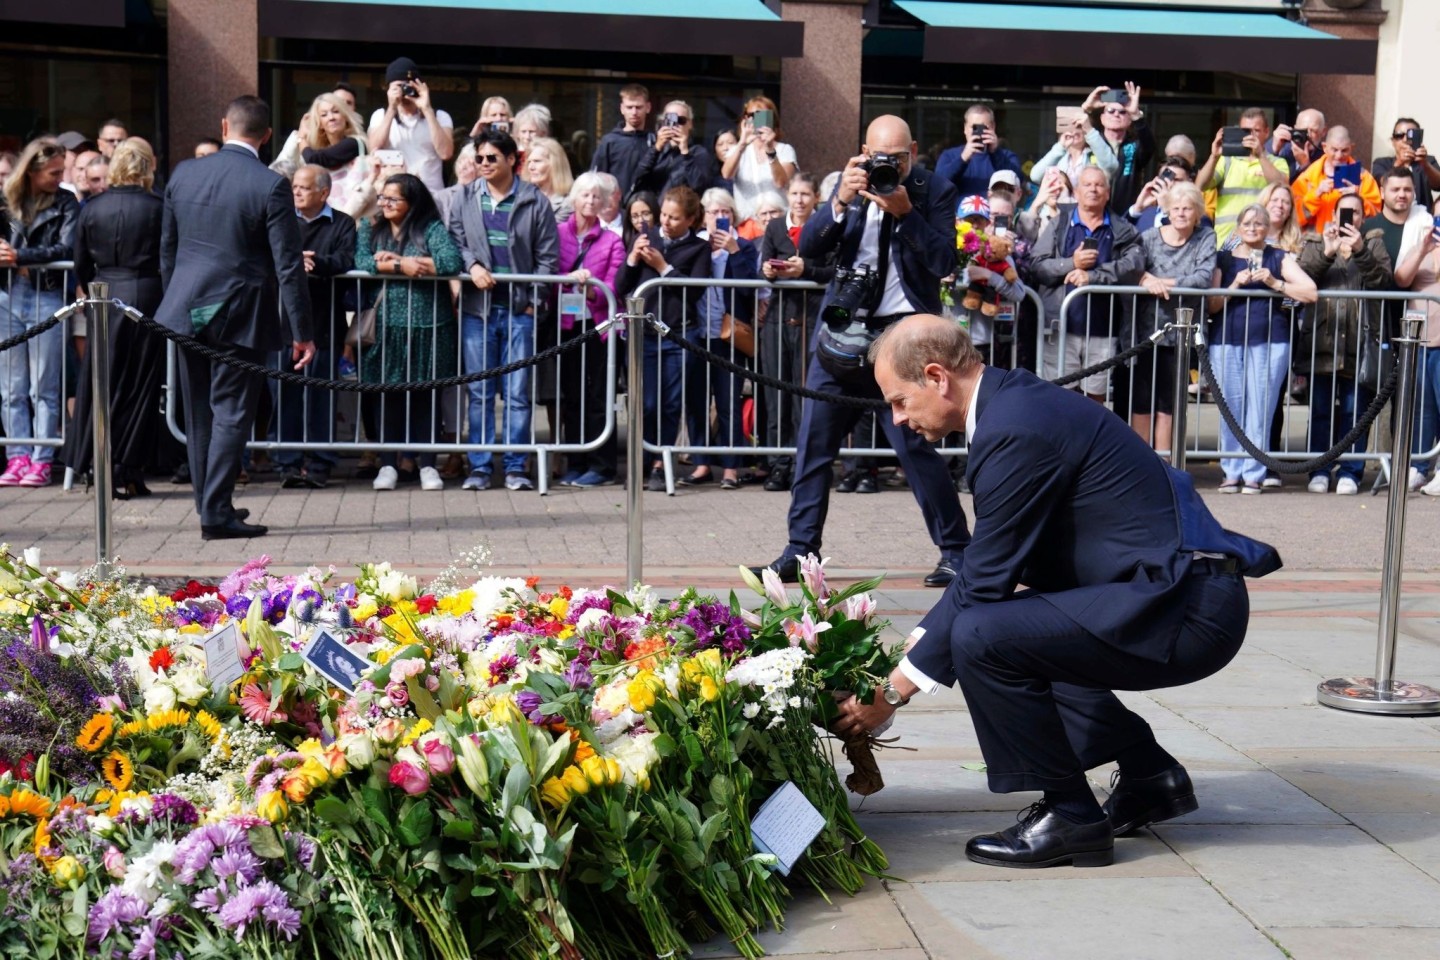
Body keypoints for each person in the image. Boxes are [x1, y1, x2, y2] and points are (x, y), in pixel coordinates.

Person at [834, 314, 1281, 869]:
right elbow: (986, 569)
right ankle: (1150, 777)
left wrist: (894, 691)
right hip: (1175, 594)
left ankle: (1070, 815)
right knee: (1015, 631)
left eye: (900, 401)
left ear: (936, 377)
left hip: (1185, 610)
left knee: (984, 636)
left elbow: (984, 583)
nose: (898, 420)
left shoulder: (1014, 426)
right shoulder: (1015, 406)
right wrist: (914, 651)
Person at [750, 115, 970, 587]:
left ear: (913, 150)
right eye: (877, 157)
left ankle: (956, 552)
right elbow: (809, 249)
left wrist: (906, 211)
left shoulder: (937, 191)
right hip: (843, 329)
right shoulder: (846, 186)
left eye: (897, 158)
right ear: (863, 152)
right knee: (813, 443)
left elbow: (944, 262)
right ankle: (799, 550)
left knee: (915, 448)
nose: (886, 165)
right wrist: (840, 201)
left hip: (904, 334)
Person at [156, 96, 315, 538]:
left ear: (224, 125)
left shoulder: (184, 173)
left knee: (200, 413)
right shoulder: (269, 184)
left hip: (186, 307)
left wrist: (177, 300)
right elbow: (287, 264)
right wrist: (302, 330)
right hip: (240, 312)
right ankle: (215, 513)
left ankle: (213, 505)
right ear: (266, 137)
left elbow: (168, 250)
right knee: (230, 412)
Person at [448, 128, 559, 492]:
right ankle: (479, 467)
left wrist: (533, 303)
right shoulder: (464, 196)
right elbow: (454, 243)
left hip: (518, 310)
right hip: (476, 311)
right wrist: (472, 267)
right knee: (479, 392)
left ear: (513, 160)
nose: (482, 164)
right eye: (478, 158)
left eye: (490, 158)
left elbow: (548, 257)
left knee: (517, 392)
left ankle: (515, 467)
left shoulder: (534, 200)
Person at [58, 139, 165, 497]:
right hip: (147, 295)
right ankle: (125, 467)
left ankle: (105, 465)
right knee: (140, 384)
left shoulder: (92, 207)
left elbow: (80, 262)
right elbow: (168, 256)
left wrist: (92, 288)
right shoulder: (159, 206)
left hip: (104, 294)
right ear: (147, 167)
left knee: (102, 382)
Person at [355, 172, 460, 492]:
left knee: (426, 395)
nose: (384, 204)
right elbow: (362, 260)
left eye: (392, 199)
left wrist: (399, 259)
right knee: (387, 395)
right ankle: (388, 463)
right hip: (387, 324)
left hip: (430, 324)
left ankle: (428, 463)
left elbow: (450, 261)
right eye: (382, 197)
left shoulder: (430, 227)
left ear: (411, 201)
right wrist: (403, 267)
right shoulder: (370, 227)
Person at [1206, 203, 1317, 494]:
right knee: (1230, 405)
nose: (1253, 228)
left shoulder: (1278, 256)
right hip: (1227, 338)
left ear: (1267, 229)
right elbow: (1212, 304)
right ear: (1238, 227)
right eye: (1247, 223)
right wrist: (1234, 285)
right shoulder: (1224, 259)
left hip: (1271, 339)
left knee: (1261, 408)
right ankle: (1231, 470)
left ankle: (1253, 472)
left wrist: (1274, 282)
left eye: (1259, 224)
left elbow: (1309, 291)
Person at [615, 185, 712, 491]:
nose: (666, 222)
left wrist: (662, 267)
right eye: (664, 216)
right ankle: (640, 461)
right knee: (645, 402)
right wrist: (632, 257)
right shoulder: (649, 237)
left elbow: (694, 290)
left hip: (678, 333)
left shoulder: (698, 248)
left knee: (670, 403)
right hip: (644, 332)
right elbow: (620, 285)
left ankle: (659, 463)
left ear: (690, 220)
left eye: (674, 218)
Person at [1296, 192, 1392, 496]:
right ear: (1334, 214)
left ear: (1363, 218)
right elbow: (1303, 278)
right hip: (1322, 342)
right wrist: (1328, 251)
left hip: (1359, 341)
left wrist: (1361, 250)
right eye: (1344, 213)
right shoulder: (1315, 242)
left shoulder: (1374, 242)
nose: (1349, 218)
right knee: (1321, 410)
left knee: (1354, 411)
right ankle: (1319, 469)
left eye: (1356, 213)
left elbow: (1382, 280)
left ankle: (1351, 470)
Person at [272, 165, 356, 490]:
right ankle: (287, 462)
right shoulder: (281, 219)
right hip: (283, 323)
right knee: (285, 393)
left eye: (304, 188)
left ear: (324, 192)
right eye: (294, 186)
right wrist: (292, 263)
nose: (296, 192)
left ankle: (320, 462)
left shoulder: (343, 223)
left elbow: (348, 259)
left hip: (324, 321)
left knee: (322, 395)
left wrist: (316, 263)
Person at [1031, 166, 1145, 403]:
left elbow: (1134, 265)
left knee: (1095, 398)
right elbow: (1038, 265)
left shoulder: (1122, 228)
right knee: (1061, 396)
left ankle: (1090, 441)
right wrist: (1071, 263)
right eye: (1087, 184)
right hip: (1061, 326)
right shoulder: (1059, 223)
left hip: (1104, 329)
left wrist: (1093, 277)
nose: (1093, 189)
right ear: (1077, 192)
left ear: (1108, 192)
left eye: (1099, 184)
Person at [0, 138, 77, 488]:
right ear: (32, 170)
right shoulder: (6, 202)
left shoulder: (65, 202)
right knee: (12, 386)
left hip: (46, 294)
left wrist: (21, 257)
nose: (60, 177)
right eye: (53, 171)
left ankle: (42, 457)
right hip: (9, 294)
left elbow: (69, 246)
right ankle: (17, 456)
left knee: (44, 386)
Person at [677, 188, 758, 490]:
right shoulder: (693, 245)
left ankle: (730, 468)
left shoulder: (745, 247)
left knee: (728, 403)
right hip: (696, 333)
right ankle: (700, 464)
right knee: (696, 401)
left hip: (728, 337)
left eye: (725, 212)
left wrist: (734, 251)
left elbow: (749, 288)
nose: (719, 217)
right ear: (703, 216)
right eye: (713, 212)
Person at [1128, 182, 1216, 452]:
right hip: (1146, 330)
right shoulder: (1149, 237)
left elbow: (1203, 277)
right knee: (1141, 401)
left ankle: (1165, 464)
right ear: (1167, 210)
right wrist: (1144, 278)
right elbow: (1134, 269)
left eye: (1187, 208)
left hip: (1181, 333)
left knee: (1169, 404)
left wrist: (1163, 283)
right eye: (1176, 208)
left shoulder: (1205, 237)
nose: (1181, 213)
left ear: (1198, 211)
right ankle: (1140, 463)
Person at [758, 171, 832, 492]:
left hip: (812, 318)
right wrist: (768, 271)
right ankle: (778, 464)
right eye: (794, 194)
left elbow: (833, 270)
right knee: (777, 397)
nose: (799, 200)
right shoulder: (775, 227)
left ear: (815, 197)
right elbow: (766, 265)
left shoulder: (826, 227)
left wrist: (807, 271)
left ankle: (804, 464)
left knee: (805, 398)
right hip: (778, 317)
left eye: (805, 194)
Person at [554, 172, 624, 488]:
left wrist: (591, 289)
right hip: (566, 325)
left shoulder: (612, 240)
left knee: (597, 396)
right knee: (572, 396)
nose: (591, 201)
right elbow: (550, 273)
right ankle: (576, 461)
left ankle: (602, 466)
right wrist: (567, 280)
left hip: (598, 327)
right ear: (574, 198)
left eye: (597, 196)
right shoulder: (557, 234)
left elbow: (614, 285)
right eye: (585, 195)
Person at [1391, 193, 1440, 495]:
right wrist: (1423, 249)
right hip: (1421, 338)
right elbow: (1401, 277)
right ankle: (1420, 467)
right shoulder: (1420, 242)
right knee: (1422, 408)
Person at [1196, 108, 1290, 247]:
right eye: (1245, 131)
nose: (1250, 136)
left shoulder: (1277, 162)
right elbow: (1200, 185)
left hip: (1263, 242)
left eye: (1256, 131)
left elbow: (1280, 185)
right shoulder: (1226, 160)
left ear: (1266, 132)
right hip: (1225, 242)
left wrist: (1261, 156)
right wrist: (1214, 156)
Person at [367, 56, 455, 195]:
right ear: (388, 89)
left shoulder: (440, 116)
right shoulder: (381, 115)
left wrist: (427, 109)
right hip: (393, 195)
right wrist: (391, 109)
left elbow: (445, 153)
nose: (404, 92)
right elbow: (374, 149)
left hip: (431, 196)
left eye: (408, 86)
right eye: (398, 87)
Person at [274, 93, 370, 216]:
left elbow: (315, 160)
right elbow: (282, 166)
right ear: (319, 123)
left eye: (336, 112)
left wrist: (302, 138)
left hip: (355, 219)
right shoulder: (316, 149)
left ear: (345, 117)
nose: (331, 117)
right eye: (324, 115)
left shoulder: (355, 142)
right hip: (326, 220)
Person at [720, 96, 797, 222]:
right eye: (753, 115)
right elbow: (726, 174)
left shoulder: (785, 150)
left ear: (772, 120)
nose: (758, 120)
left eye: (763, 116)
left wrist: (770, 150)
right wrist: (742, 143)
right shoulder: (738, 149)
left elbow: (781, 182)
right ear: (745, 119)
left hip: (778, 220)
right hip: (747, 222)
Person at [1080, 83, 1154, 214]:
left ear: (1129, 120)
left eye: (1122, 112)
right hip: (1092, 215)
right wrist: (1086, 108)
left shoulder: (1134, 146)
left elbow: (1150, 146)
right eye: (1111, 111)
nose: (1116, 115)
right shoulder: (1090, 142)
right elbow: (1070, 134)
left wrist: (1136, 114)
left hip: (1125, 217)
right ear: (1102, 118)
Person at [1292, 126, 1381, 234]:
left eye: (1344, 150)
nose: (1339, 156)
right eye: (1334, 150)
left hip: (1351, 243)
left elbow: (1376, 218)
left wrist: (1359, 199)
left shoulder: (1363, 178)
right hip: (1314, 244)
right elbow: (1292, 219)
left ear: (1351, 148)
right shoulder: (1307, 178)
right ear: (1324, 147)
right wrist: (1316, 194)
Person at [934, 103, 1023, 201]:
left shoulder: (1007, 156)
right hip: (959, 215)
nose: (979, 133)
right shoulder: (949, 156)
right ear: (965, 128)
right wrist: (963, 158)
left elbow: (1017, 181)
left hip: (994, 214)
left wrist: (995, 153)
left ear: (993, 127)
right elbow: (938, 184)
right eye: (975, 128)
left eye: (984, 128)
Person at [632, 100, 711, 198]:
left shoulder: (698, 152)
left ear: (690, 124)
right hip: (655, 209)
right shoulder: (654, 150)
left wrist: (685, 152)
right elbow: (637, 178)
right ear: (663, 122)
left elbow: (698, 186)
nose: (675, 125)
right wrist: (657, 147)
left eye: (681, 120)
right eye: (670, 120)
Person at [590, 83, 654, 202]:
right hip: (616, 209)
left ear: (648, 107)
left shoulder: (655, 141)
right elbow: (596, 179)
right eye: (629, 107)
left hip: (647, 208)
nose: (634, 112)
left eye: (638, 107)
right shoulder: (610, 142)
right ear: (622, 109)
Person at [1027, 114, 1117, 196]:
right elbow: (1035, 176)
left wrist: (1091, 132)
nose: (1074, 130)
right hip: (1058, 209)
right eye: (1069, 126)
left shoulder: (1096, 155)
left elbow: (1111, 166)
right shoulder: (1058, 156)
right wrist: (1061, 146)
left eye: (1079, 126)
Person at [1373, 118, 1440, 213]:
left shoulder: (1428, 161)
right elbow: (1383, 182)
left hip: (1423, 220)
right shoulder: (1381, 163)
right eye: (1399, 135)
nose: (1405, 140)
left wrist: (1425, 164)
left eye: (1410, 135)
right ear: (1393, 141)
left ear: (1419, 138)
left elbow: (1438, 185)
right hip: (1392, 219)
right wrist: (1399, 163)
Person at [524, 136, 574, 222]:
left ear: (555, 164)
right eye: (529, 162)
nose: (531, 167)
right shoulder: (521, 196)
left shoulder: (570, 202)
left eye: (537, 161)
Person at [1271, 108, 1326, 184]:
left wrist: (1306, 166)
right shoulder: (1283, 150)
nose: (1308, 135)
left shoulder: (1326, 157)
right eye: (1303, 131)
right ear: (1295, 129)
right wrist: (1274, 151)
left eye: (1313, 131)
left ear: (1323, 132)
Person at [435, 141, 478, 224]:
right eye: (461, 162)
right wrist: (461, 186)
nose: (463, 167)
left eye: (471, 165)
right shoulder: (441, 197)